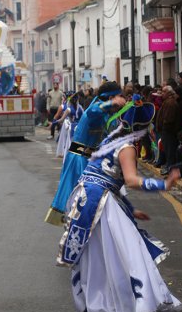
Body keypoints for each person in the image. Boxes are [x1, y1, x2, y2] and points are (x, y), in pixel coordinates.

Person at [57, 95, 182, 312]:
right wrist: (163, 185)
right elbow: (131, 181)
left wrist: (131, 209)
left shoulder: (112, 138)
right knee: (126, 256)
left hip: (88, 199)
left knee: (102, 259)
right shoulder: (127, 148)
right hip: (99, 202)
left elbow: (110, 180)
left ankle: (108, 309)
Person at [45, 81, 126, 226]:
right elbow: (95, 111)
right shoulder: (96, 108)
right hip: (79, 158)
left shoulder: (109, 114)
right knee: (82, 198)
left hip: (92, 160)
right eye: (117, 97)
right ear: (109, 98)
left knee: (94, 200)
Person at [155, 85, 179, 175]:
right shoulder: (168, 102)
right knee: (167, 150)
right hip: (166, 131)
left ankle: (170, 168)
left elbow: (169, 119)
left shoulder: (170, 103)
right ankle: (169, 166)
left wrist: (164, 128)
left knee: (170, 151)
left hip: (169, 131)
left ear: (169, 93)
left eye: (164, 92)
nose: (162, 94)